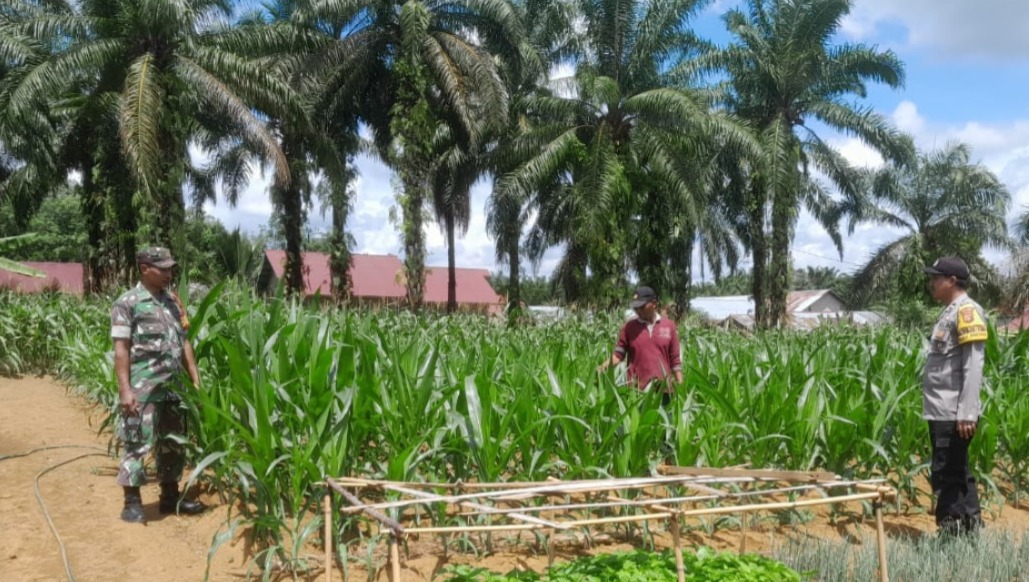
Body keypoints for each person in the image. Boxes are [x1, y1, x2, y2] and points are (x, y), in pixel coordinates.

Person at [111, 247, 205, 523]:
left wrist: (195, 380)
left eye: (170, 268)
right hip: (144, 387)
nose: (168, 273)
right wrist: (126, 390)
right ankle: (132, 502)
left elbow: (185, 341)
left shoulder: (173, 302)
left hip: (173, 387)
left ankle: (169, 497)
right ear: (144, 269)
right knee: (137, 441)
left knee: (173, 443)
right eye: (162, 268)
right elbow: (121, 350)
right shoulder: (127, 303)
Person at [922, 257, 987, 535]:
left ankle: (950, 534)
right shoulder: (950, 311)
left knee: (946, 473)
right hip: (942, 410)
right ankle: (971, 531)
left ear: (951, 280)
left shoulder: (967, 311)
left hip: (952, 412)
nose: (932, 282)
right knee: (958, 471)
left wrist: (967, 413)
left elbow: (973, 365)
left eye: (937, 277)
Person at [598, 286, 683, 400]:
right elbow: (618, 355)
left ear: (654, 303)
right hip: (637, 391)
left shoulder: (669, 326)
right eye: (635, 307)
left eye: (642, 307)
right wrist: (602, 367)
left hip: (664, 391)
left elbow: (675, 361)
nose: (638, 310)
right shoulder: (629, 327)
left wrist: (681, 387)